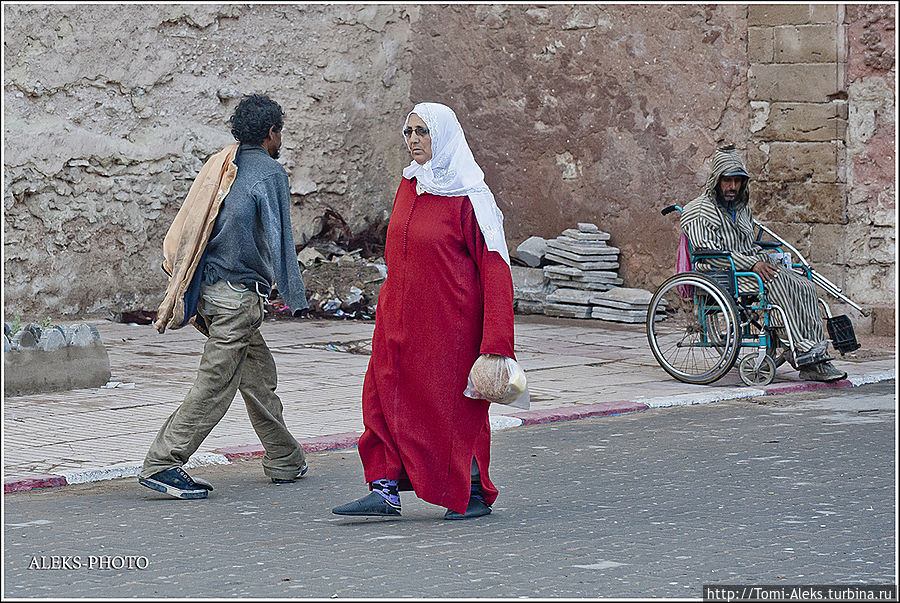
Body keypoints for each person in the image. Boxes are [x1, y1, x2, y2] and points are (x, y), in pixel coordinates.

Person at [332, 102, 516, 520]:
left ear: (444, 136)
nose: (414, 140)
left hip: (450, 330)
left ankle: (469, 491)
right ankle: (384, 490)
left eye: (423, 132)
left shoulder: (472, 198)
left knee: (450, 413)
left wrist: (497, 343)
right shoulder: (410, 185)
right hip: (397, 326)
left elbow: (496, 270)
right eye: (409, 132)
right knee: (381, 401)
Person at [139, 94, 310, 499]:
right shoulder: (269, 172)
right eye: (280, 131)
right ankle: (163, 463)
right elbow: (281, 238)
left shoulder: (221, 164)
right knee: (216, 384)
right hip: (236, 300)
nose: (280, 139)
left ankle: (285, 458)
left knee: (259, 377)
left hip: (210, 294)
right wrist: (295, 296)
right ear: (272, 132)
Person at [680, 144, 847, 382]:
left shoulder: (740, 208)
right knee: (776, 283)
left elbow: (749, 245)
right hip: (723, 271)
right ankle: (800, 348)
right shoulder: (698, 211)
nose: (733, 187)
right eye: (728, 181)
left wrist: (766, 259)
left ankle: (815, 353)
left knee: (804, 285)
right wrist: (752, 264)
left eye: (738, 181)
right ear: (716, 180)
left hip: (749, 269)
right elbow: (711, 253)